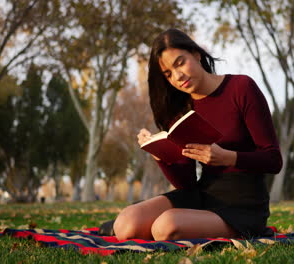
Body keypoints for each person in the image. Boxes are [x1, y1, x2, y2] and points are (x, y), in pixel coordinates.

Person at [111, 28, 282, 241]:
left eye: (180, 63)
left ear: (196, 54)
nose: (177, 76)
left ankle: (209, 227)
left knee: (165, 227)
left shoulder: (241, 88)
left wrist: (228, 157)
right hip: (201, 195)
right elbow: (186, 184)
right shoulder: (181, 111)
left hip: (243, 204)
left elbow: (274, 160)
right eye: (168, 74)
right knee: (126, 225)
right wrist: (161, 156)